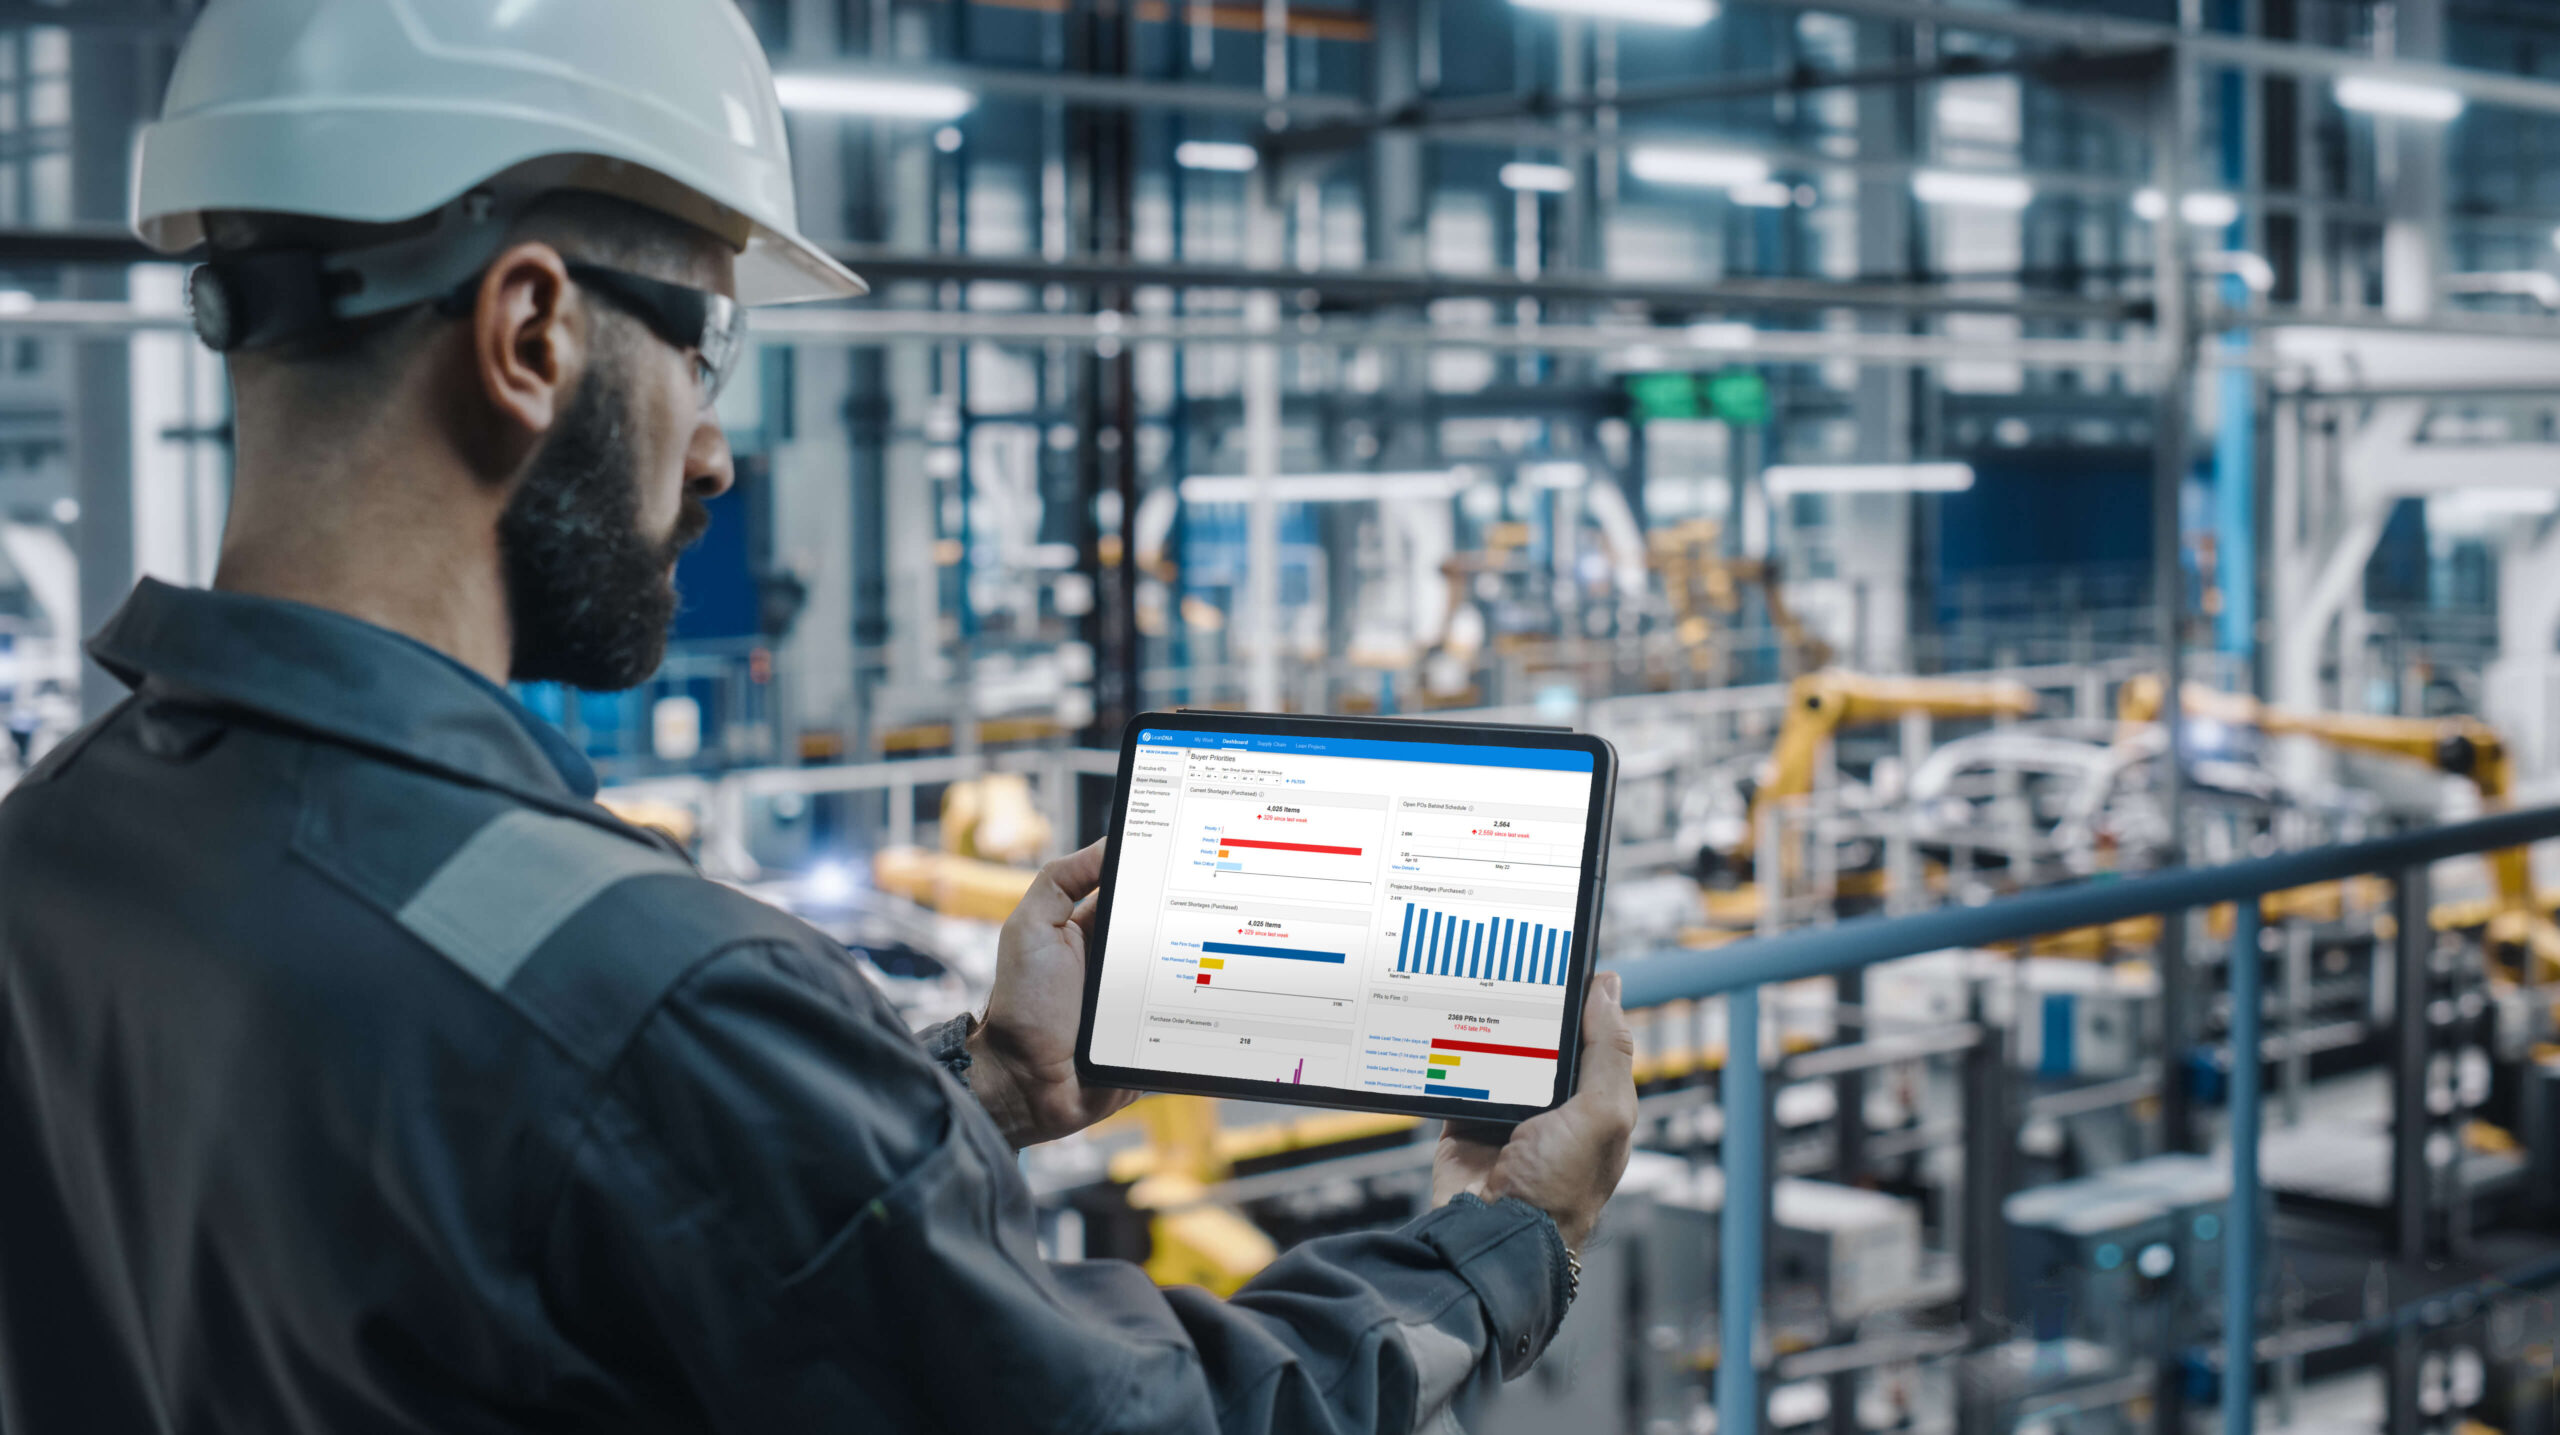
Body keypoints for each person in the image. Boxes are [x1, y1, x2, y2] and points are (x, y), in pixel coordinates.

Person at [0, 3, 1638, 1432]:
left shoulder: (62, 849)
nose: (712, 455)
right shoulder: (651, 990)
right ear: (529, 334)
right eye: (705, 351)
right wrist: (1502, 1236)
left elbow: (484, 1203)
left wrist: (983, 1087)